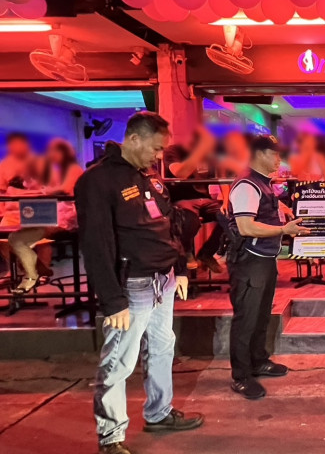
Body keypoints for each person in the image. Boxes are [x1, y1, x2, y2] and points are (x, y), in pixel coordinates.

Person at [75, 113, 203, 454]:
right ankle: (111, 437)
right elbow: (96, 244)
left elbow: (170, 226)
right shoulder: (97, 181)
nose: (158, 156)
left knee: (162, 348)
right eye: (155, 148)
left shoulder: (149, 177)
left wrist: (181, 268)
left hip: (163, 280)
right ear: (134, 139)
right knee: (119, 361)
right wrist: (112, 300)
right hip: (131, 286)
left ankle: (159, 413)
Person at [226, 134, 309, 400]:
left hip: (263, 258)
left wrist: (283, 214)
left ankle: (258, 361)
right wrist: (284, 229)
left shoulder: (262, 183)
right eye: (274, 154)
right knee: (246, 318)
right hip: (249, 261)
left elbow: (265, 212)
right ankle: (241, 376)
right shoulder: (247, 185)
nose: (278, 159)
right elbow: (246, 227)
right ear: (259, 154)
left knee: (261, 315)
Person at [9, 139, 83, 294]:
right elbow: (38, 187)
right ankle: (35, 271)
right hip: (51, 215)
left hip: (66, 219)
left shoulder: (73, 169)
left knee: (21, 239)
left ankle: (33, 274)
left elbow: (64, 189)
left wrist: (43, 191)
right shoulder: (57, 171)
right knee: (14, 238)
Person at [163, 125, 223, 273]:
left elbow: (222, 177)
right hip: (182, 199)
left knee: (230, 217)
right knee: (189, 220)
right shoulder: (174, 151)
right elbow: (179, 173)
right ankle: (187, 252)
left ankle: (207, 253)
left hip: (205, 200)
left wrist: (226, 202)